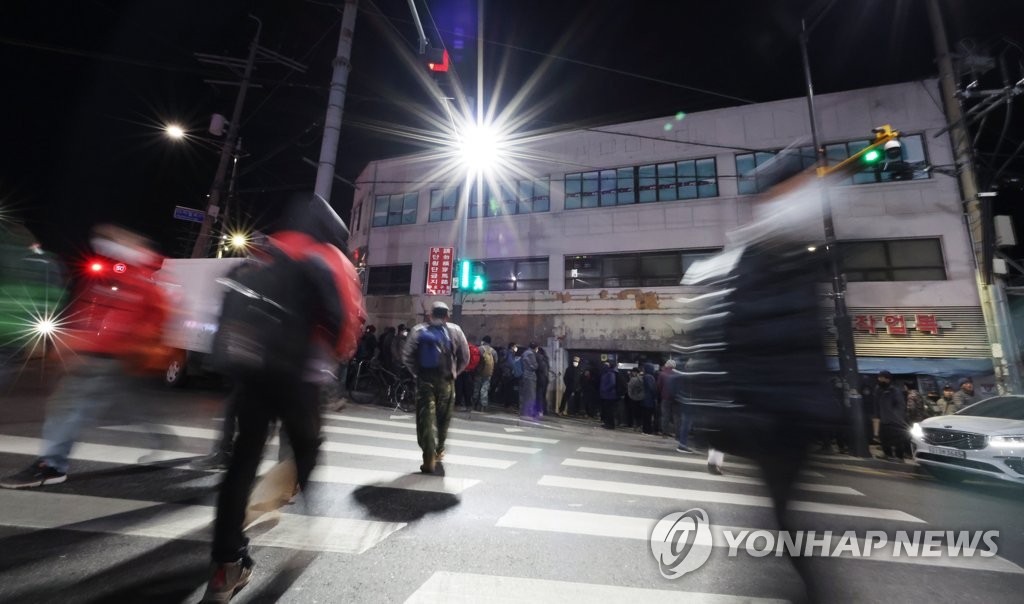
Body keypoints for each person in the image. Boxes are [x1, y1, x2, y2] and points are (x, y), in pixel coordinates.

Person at [202, 195, 364, 603]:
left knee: (243, 460)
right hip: (296, 376)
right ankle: (312, 522)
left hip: (252, 374)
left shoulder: (266, 252)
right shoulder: (323, 259)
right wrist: (330, 364)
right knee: (306, 449)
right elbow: (338, 318)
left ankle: (226, 565)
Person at [1, 225, 170, 490]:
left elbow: (142, 318)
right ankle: (159, 439)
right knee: (126, 405)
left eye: (109, 240)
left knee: (68, 408)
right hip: (104, 356)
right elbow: (89, 308)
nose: (102, 244)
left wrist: (90, 343)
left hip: (107, 356)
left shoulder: (138, 277)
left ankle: (52, 465)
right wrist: (70, 339)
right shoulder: (114, 272)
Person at [402, 302, 470, 473]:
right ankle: (439, 451)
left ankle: (428, 458)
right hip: (446, 382)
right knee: (443, 419)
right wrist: (455, 372)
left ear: (430, 315)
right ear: (447, 316)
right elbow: (465, 357)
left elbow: (407, 356)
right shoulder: (455, 330)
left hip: (425, 381)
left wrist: (416, 373)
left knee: (425, 419)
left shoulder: (418, 330)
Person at [875, 371, 908, 461]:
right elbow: (878, 404)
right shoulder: (879, 389)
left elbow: (901, 405)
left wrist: (896, 416)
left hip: (895, 420)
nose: (879, 379)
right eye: (879, 377)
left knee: (897, 439)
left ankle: (899, 457)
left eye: (882, 378)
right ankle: (887, 454)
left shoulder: (894, 391)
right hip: (883, 419)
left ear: (888, 379)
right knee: (884, 437)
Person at [474, 336, 497, 411]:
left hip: (479, 372)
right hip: (488, 373)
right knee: (485, 389)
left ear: (483, 341)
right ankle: (483, 406)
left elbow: (475, 360)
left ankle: (474, 403)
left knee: (477, 388)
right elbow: (496, 361)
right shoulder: (493, 351)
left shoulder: (479, 348)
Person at [657, 360, 678, 437]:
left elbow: (659, 386)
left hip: (665, 398)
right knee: (676, 416)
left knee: (665, 416)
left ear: (666, 365)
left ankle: (665, 432)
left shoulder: (662, 374)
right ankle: (677, 433)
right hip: (676, 398)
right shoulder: (677, 374)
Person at [519, 342, 540, 418]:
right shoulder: (531, 354)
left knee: (524, 395)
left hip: (524, 375)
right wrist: (537, 364)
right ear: (535, 347)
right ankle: (528, 412)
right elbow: (534, 366)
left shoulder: (525, 353)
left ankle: (523, 411)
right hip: (530, 377)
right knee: (530, 395)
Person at [598, 362, 618, 429]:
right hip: (605, 395)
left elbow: (612, 383)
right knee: (606, 410)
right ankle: (607, 423)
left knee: (609, 411)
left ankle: (611, 425)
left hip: (610, 395)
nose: (604, 366)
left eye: (606, 365)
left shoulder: (611, 373)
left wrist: (605, 389)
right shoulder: (605, 373)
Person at [641, 363, 658, 434]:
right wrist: (655, 396)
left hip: (646, 399)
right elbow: (652, 388)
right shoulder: (649, 377)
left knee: (646, 415)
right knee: (648, 415)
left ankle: (646, 429)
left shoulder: (646, 376)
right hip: (649, 400)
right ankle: (647, 430)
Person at [535, 346, 550, 415]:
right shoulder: (546, 358)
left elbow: (538, 368)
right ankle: (545, 410)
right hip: (545, 379)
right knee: (543, 395)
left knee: (539, 395)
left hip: (540, 378)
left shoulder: (539, 358)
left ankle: (539, 410)